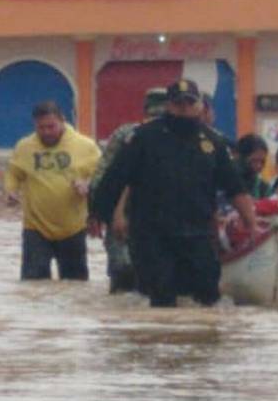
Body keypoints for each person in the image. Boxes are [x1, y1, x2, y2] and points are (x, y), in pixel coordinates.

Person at [91, 79, 259, 307]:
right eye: (178, 103)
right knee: (161, 301)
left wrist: (252, 225)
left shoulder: (213, 142)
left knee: (207, 301)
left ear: (200, 106)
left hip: (197, 235)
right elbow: (115, 180)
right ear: (168, 106)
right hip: (152, 237)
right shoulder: (143, 138)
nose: (184, 108)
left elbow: (235, 187)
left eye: (190, 103)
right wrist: (99, 216)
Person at [4, 101, 101, 281]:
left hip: (73, 228)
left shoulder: (86, 146)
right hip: (35, 228)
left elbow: (103, 175)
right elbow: (13, 173)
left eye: (51, 126)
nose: (47, 132)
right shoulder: (24, 146)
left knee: (75, 287)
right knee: (33, 287)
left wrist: (88, 184)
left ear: (62, 121)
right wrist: (11, 191)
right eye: (41, 128)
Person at [89, 87, 167, 293]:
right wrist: (98, 213)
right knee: (128, 272)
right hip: (128, 217)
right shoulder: (128, 135)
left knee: (127, 274)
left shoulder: (126, 134)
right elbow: (103, 176)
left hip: (141, 219)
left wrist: (95, 212)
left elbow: (101, 177)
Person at [234, 134, 273, 199]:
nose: (259, 166)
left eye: (262, 162)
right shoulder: (224, 183)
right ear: (239, 156)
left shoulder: (263, 188)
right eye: (254, 160)